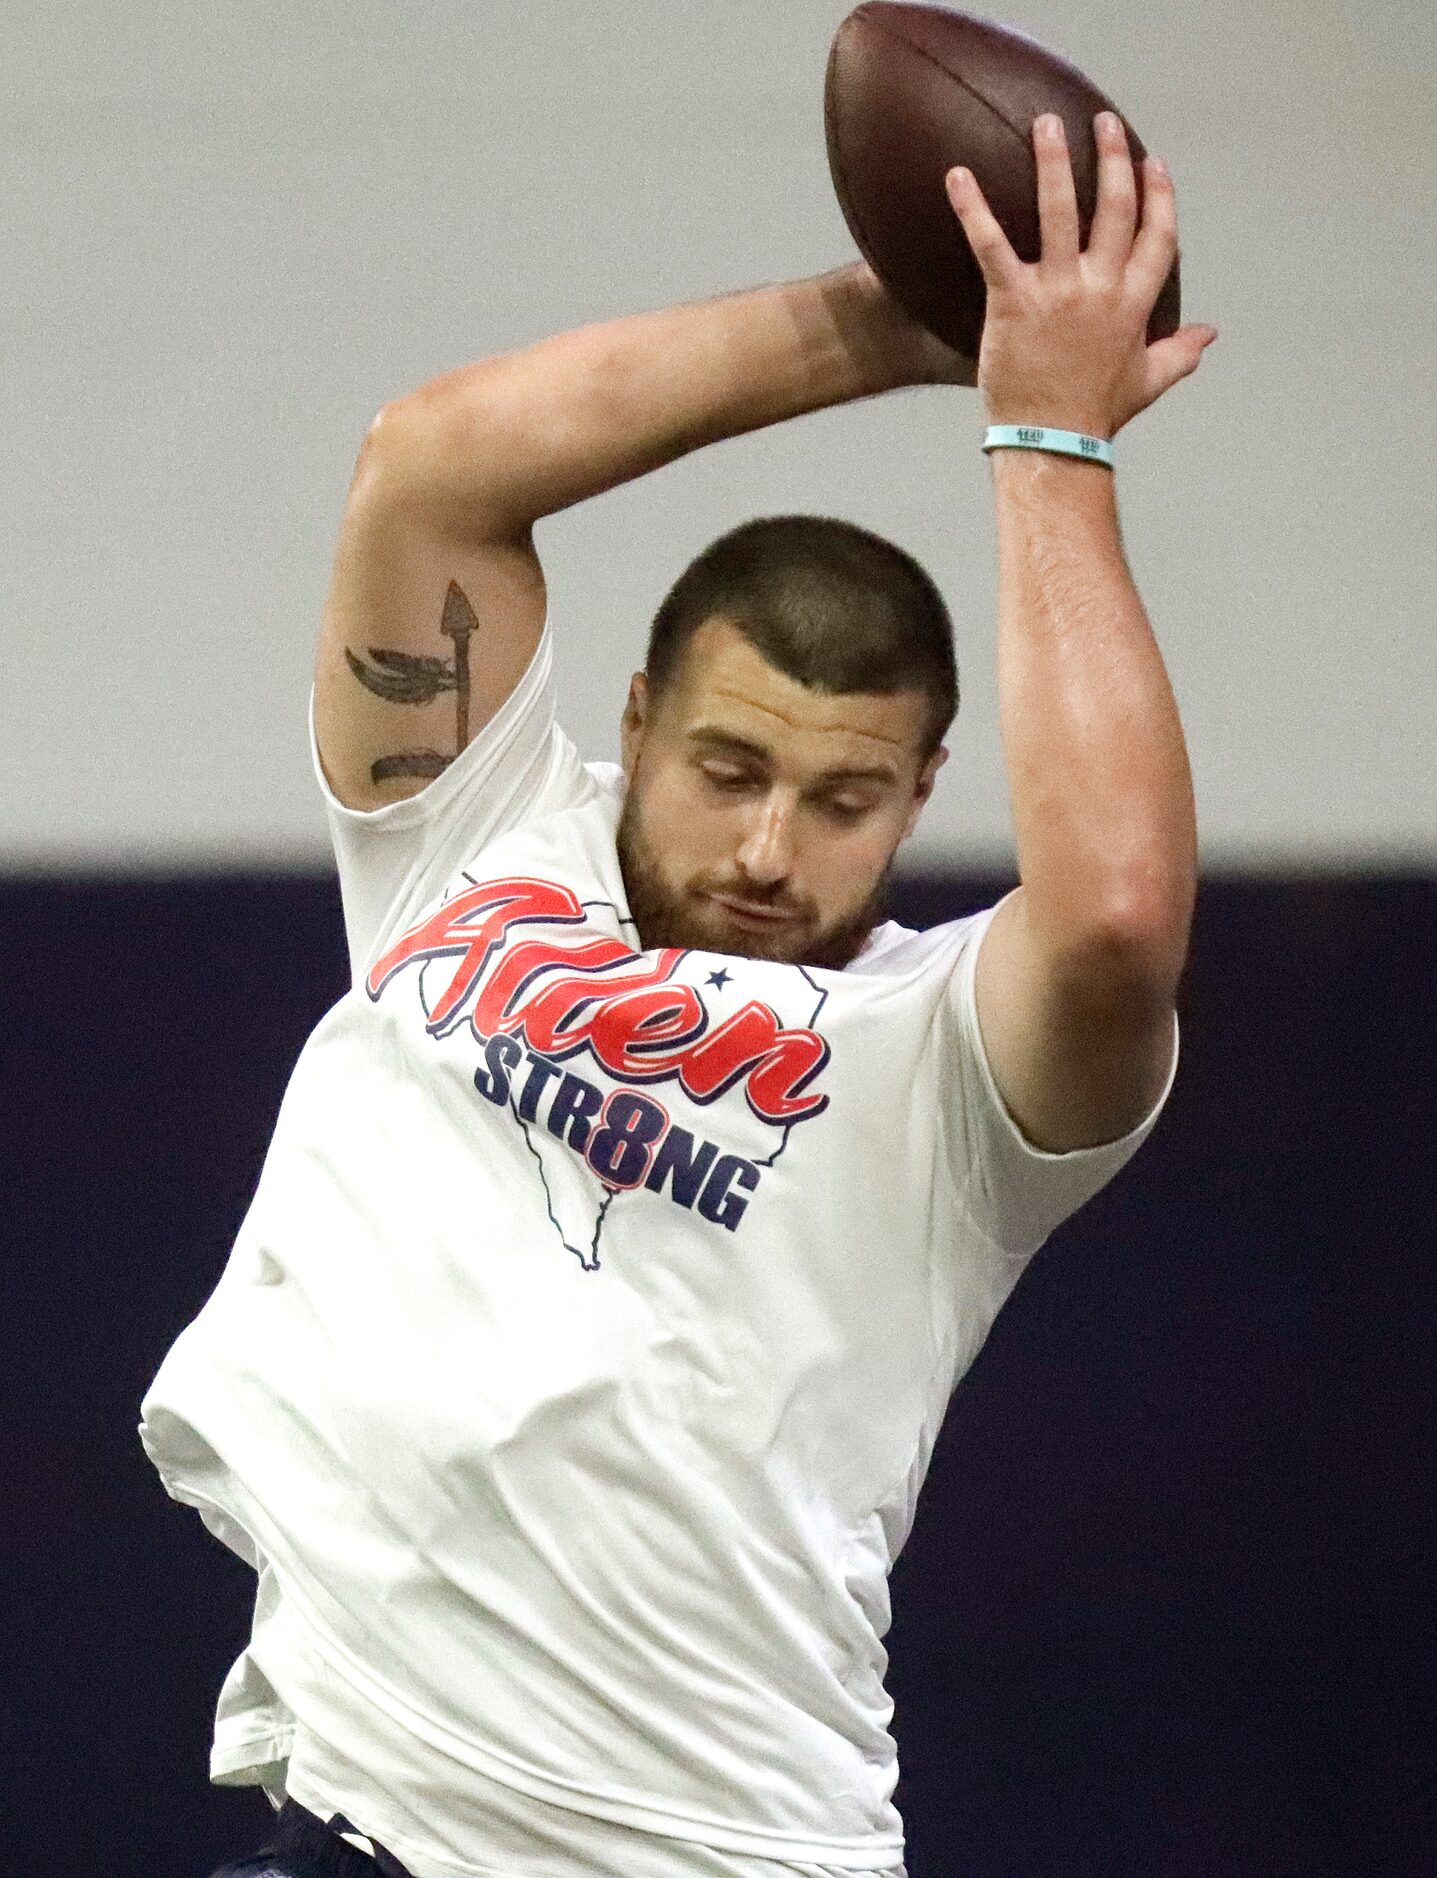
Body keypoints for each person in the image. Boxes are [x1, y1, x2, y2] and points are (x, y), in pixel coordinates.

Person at [142, 110, 1216, 1878]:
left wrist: (1043, 430)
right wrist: (899, 323)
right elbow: (429, 466)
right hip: (358, 1815)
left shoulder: (946, 1071)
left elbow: (1110, 919)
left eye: (845, 797)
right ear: (631, 722)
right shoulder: (469, 837)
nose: (773, 847)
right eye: (726, 767)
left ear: (925, 793)